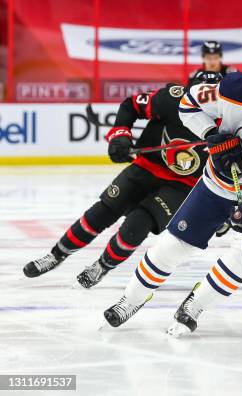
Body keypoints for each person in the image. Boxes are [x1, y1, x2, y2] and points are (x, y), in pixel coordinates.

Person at [102, 38, 242, 336]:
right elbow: (188, 104)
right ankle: (132, 298)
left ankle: (196, 305)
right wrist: (212, 135)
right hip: (218, 181)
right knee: (173, 246)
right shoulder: (233, 88)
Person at [22, 71, 222, 287]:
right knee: (102, 212)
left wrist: (223, 211)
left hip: (183, 185)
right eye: (202, 95)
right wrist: (120, 136)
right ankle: (57, 255)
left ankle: (102, 266)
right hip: (147, 167)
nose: (206, 102)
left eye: (213, 96)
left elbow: (237, 169)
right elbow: (131, 105)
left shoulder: (230, 122)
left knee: (138, 223)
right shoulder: (171, 98)